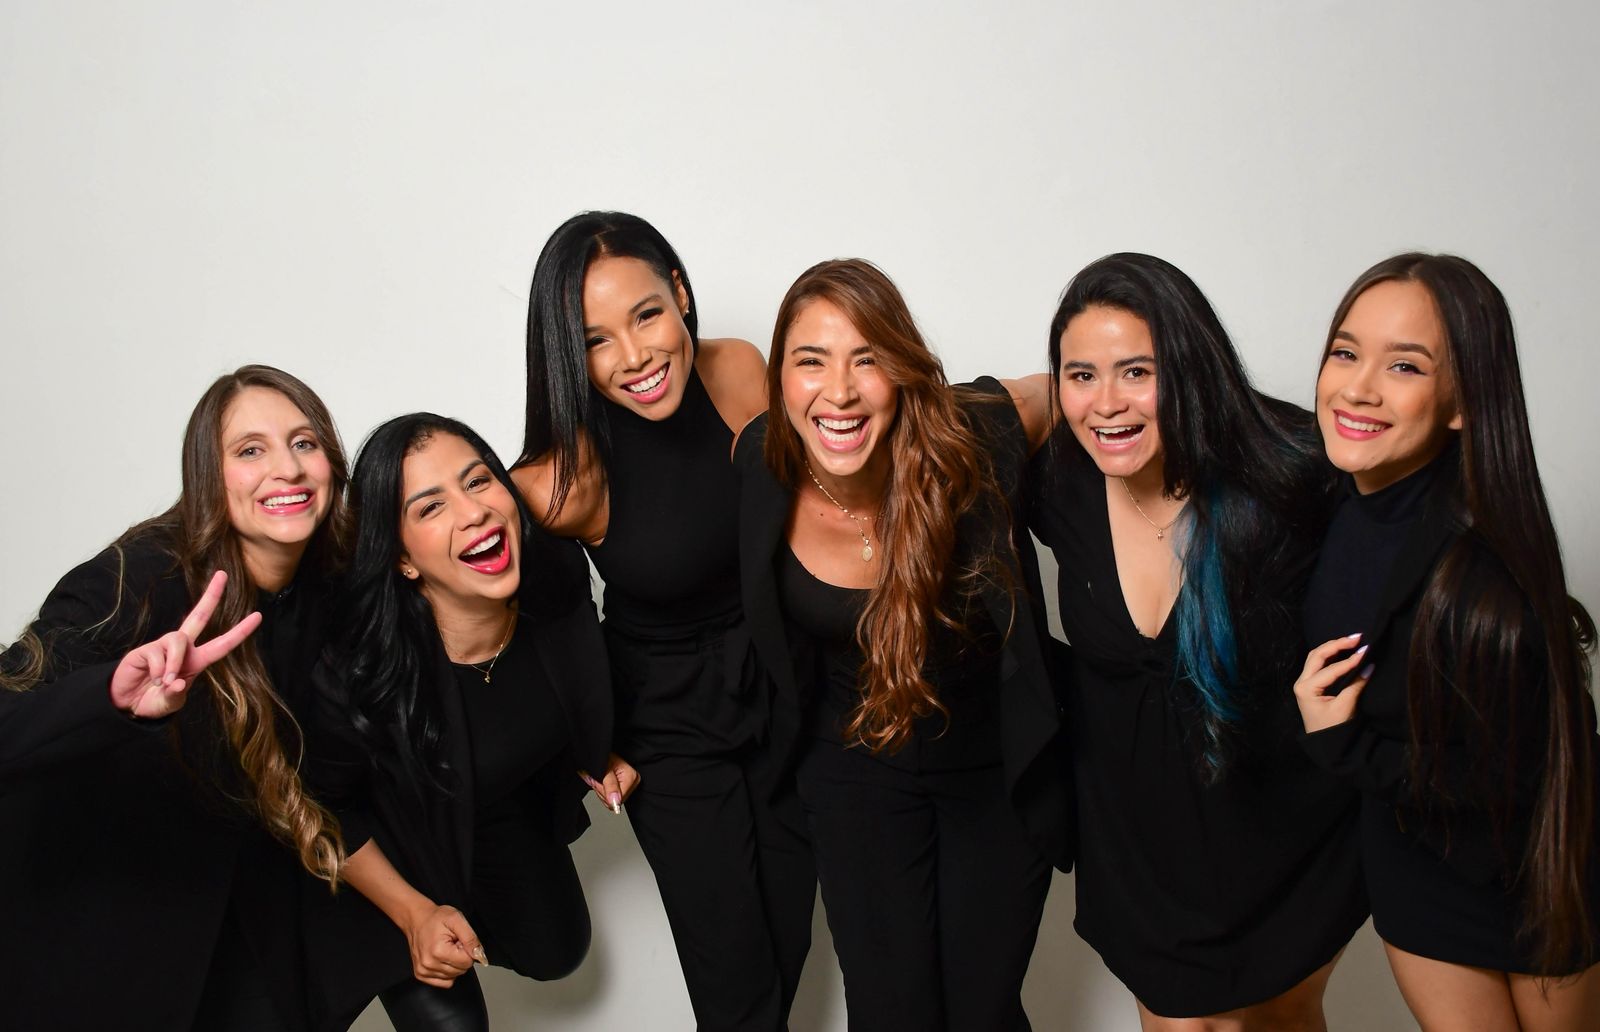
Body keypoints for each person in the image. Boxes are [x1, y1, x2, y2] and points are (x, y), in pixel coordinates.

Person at [1029, 253, 1365, 1029]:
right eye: (1081, 376)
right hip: (1140, 853)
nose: (1105, 403)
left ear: (1189, 367)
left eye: (1136, 372)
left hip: (1283, 840)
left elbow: (1407, 563)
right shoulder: (1058, 482)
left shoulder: (1291, 469)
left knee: (1277, 1021)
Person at [736, 258, 1071, 1030]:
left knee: (983, 1012)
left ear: (905, 370)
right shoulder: (760, 461)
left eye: (867, 359)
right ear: (779, 378)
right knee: (892, 1014)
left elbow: (1077, 391)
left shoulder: (977, 433)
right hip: (852, 776)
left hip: (992, 773)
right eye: (810, 360)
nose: (839, 391)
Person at [513, 211, 815, 1030]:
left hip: (784, 690)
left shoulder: (738, 369)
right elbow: (506, 618)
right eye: (595, 340)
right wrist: (585, 737)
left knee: (787, 950)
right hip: (668, 728)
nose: (636, 356)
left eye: (646, 314)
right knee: (736, 986)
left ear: (679, 293)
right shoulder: (558, 480)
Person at [1294, 253, 1600, 1029]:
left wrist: (1343, 746)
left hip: (1542, 865)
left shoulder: (1483, 569)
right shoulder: (1331, 496)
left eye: (1405, 365)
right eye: (1345, 353)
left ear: (1463, 401)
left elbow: (1523, 771)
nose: (1358, 388)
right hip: (1416, 859)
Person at [0, 364, 349, 1032]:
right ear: (209, 477)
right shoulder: (135, 580)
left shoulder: (327, 586)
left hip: (236, 932)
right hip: (92, 942)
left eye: (304, 443)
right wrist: (108, 697)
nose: (288, 469)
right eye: (250, 450)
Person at [303, 414, 617, 1032]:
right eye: (430, 507)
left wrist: (602, 745)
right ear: (402, 559)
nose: (473, 512)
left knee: (559, 953)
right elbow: (324, 807)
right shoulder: (358, 672)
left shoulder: (553, 575)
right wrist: (413, 913)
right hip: (380, 846)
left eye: (477, 481)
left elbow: (587, 673)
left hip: (483, 808)